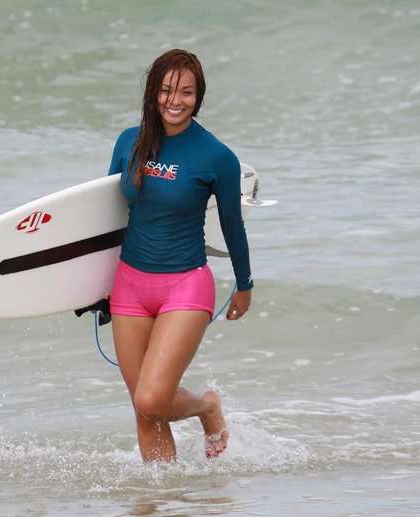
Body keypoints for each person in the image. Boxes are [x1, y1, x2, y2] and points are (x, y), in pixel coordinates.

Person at [107, 49, 253, 463]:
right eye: (167, 90)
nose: (176, 100)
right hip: (130, 285)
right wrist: (95, 287)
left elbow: (232, 225)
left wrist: (245, 284)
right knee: (143, 410)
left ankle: (207, 405)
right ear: (153, 92)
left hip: (185, 284)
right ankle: (163, 500)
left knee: (153, 399)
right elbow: (105, 217)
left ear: (198, 97)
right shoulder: (128, 143)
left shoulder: (216, 157)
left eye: (186, 93)